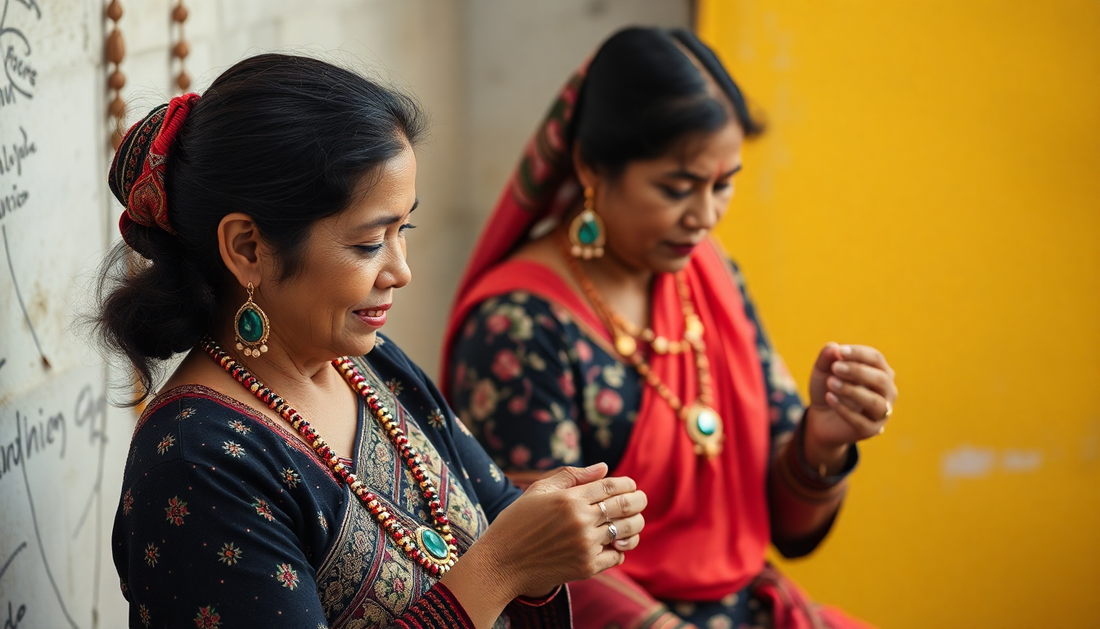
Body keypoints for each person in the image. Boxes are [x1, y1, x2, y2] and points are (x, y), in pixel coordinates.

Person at [97, 53, 648, 629]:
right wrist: (501, 568)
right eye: (368, 244)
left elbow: (498, 512)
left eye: (402, 229)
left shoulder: (368, 362)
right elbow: (499, 556)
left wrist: (564, 522)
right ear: (248, 249)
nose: (400, 271)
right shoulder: (198, 459)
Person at [443, 28, 898, 629]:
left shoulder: (709, 276)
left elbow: (792, 529)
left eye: (723, 184)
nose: (705, 216)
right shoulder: (518, 325)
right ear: (591, 167)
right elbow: (536, 562)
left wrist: (824, 441)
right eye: (676, 188)